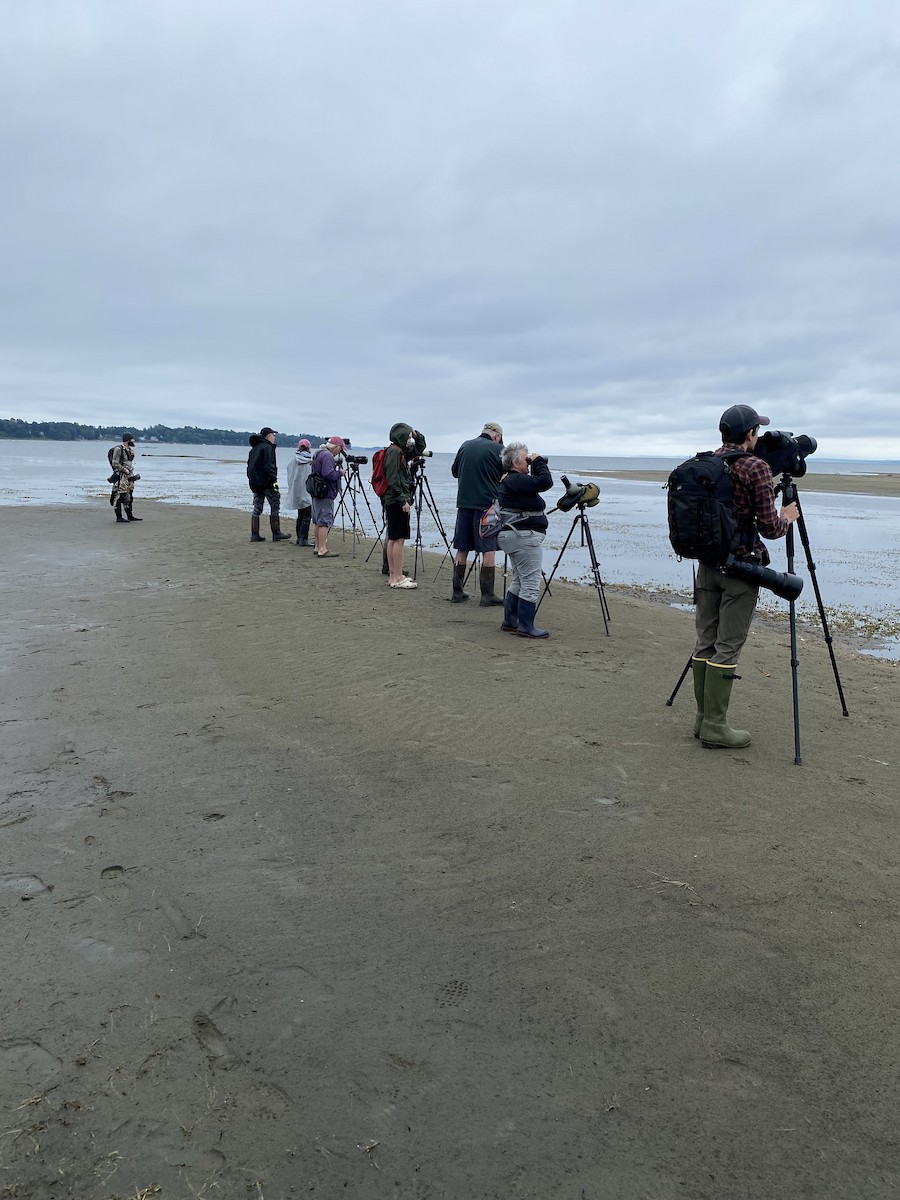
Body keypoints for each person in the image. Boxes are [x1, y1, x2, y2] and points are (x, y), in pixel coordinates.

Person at [692, 403, 799, 749]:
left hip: (707, 565)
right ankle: (715, 727)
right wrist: (787, 517)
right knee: (727, 645)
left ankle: (702, 719)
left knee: (706, 639)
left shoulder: (706, 462)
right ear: (750, 434)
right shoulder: (756, 467)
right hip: (741, 567)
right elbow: (769, 528)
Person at [496, 442, 554, 638]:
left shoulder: (513, 481)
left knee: (520, 579)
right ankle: (526, 626)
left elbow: (537, 484)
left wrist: (534, 463)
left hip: (516, 536)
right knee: (530, 580)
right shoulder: (515, 480)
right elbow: (545, 482)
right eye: (526, 458)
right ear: (515, 462)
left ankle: (511, 621)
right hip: (523, 537)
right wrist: (539, 462)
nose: (528, 461)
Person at [450, 421, 504, 605]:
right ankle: (487, 595)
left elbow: (455, 472)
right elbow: (506, 473)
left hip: (464, 504)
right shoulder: (497, 450)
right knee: (488, 549)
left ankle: (457, 592)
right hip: (486, 506)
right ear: (497, 436)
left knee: (462, 547)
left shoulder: (465, 445)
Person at [383, 422, 426, 589]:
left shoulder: (399, 451)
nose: (410, 440)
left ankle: (394, 576)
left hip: (393, 499)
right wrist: (403, 500)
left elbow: (420, 447)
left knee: (394, 537)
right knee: (398, 539)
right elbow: (393, 478)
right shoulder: (394, 453)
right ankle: (397, 576)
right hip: (396, 500)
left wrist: (416, 434)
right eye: (407, 437)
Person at [246, 427, 291, 542]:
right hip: (267, 483)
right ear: (267, 436)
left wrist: (252, 481)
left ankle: (254, 534)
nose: (274, 437)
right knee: (275, 504)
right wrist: (274, 481)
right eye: (273, 435)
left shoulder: (254, 449)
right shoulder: (268, 448)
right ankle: (276, 532)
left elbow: (249, 467)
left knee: (257, 507)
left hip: (255, 483)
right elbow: (269, 467)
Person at [309, 437, 346, 558]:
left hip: (317, 491)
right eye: (340, 449)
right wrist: (340, 473)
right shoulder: (328, 456)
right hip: (325, 492)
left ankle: (317, 547)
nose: (339, 453)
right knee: (324, 522)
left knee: (318, 521)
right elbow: (328, 473)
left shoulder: (318, 453)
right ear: (335, 447)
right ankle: (322, 549)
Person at [284, 438, 313, 545]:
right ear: (309, 448)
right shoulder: (310, 461)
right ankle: (303, 539)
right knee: (307, 515)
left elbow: (289, 473)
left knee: (300, 514)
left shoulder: (293, 460)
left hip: (296, 490)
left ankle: (299, 538)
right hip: (307, 490)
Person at [109, 432, 142, 523]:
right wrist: (124, 470)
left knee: (129, 496)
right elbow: (115, 463)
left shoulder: (130, 450)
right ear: (128, 440)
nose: (133, 441)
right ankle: (119, 517)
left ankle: (130, 516)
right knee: (119, 496)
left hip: (129, 477)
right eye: (132, 439)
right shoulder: (118, 449)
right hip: (121, 477)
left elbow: (129, 462)